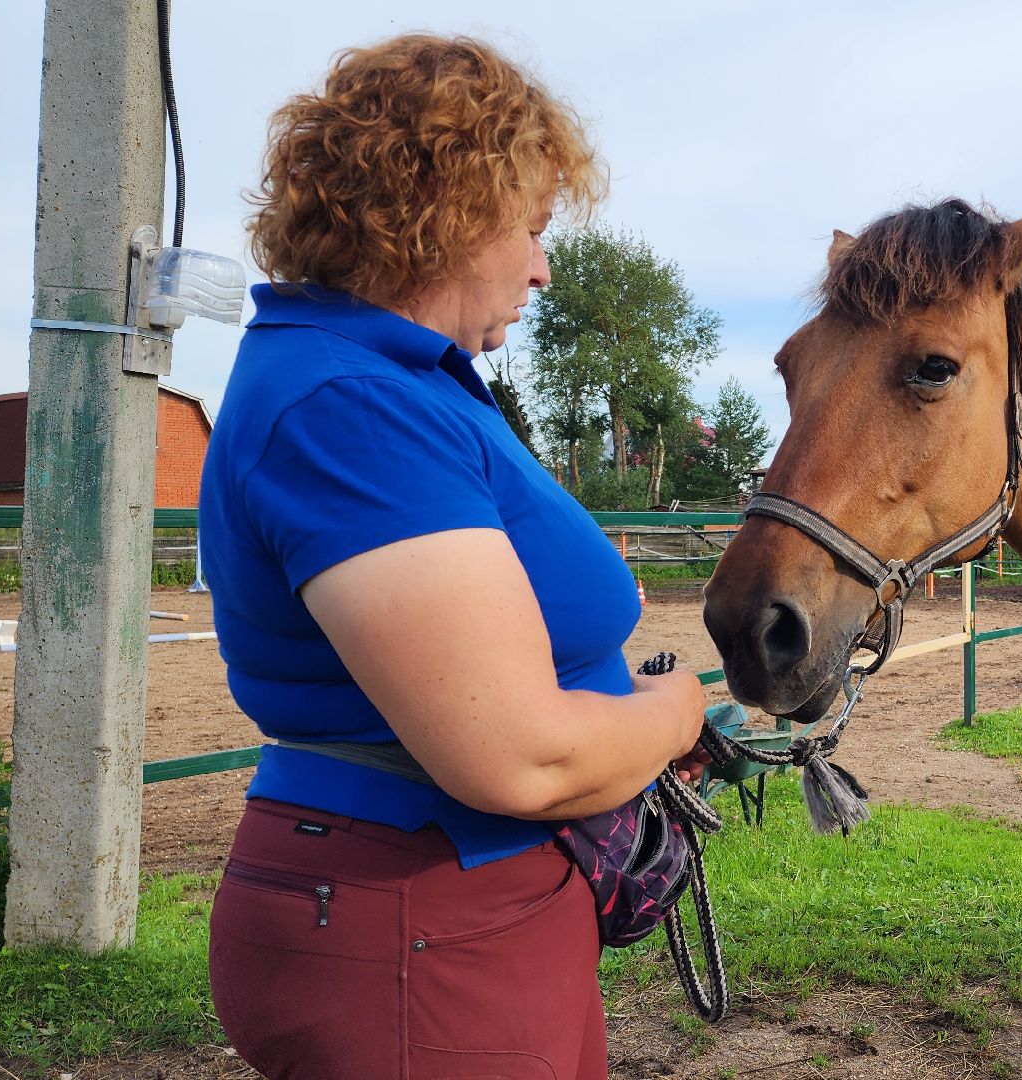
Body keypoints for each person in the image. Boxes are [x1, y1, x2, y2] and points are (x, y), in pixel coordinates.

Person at [201, 34, 708, 1079]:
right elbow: (515, 755)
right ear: (445, 212)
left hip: (463, 908)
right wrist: (672, 715)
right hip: (418, 918)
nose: (541, 266)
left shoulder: (395, 386)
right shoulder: (351, 405)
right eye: (528, 226)